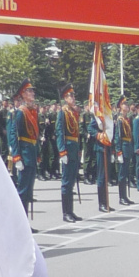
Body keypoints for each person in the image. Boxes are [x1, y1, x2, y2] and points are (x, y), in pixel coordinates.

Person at [6, 81, 40, 215]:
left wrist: (37, 153)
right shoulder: (20, 112)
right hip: (24, 155)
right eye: (29, 91)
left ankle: (25, 223)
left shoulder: (32, 111)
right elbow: (14, 134)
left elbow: (35, 136)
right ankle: (21, 223)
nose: (33, 93)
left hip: (31, 152)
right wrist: (17, 156)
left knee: (29, 189)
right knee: (23, 190)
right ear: (24, 95)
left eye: (32, 91)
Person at [58, 85, 83, 223]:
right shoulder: (63, 112)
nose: (73, 98)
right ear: (65, 98)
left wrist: (79, 149)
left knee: (72, 180)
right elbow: (60, 132)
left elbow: (76, 134)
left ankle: (71, 211)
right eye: (70, 96)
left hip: (74, 149)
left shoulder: (74, 113)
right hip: (67, 148)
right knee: (66, 182)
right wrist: (62, 151)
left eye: (73, 96)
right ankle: (65, 212)